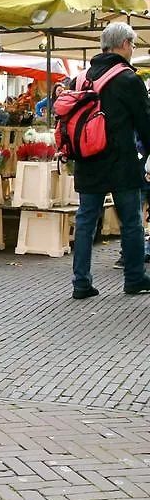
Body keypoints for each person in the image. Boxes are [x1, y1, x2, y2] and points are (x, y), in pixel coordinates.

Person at [70, 22, 150, 299]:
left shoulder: (80, 79)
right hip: (121, 162)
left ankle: (81, 283)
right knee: (131, 221)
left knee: (86, 221)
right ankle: (134, 278)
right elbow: (145, 123)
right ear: (125, 44)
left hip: (87, 159)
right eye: (133, 44)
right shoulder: (128, 79)